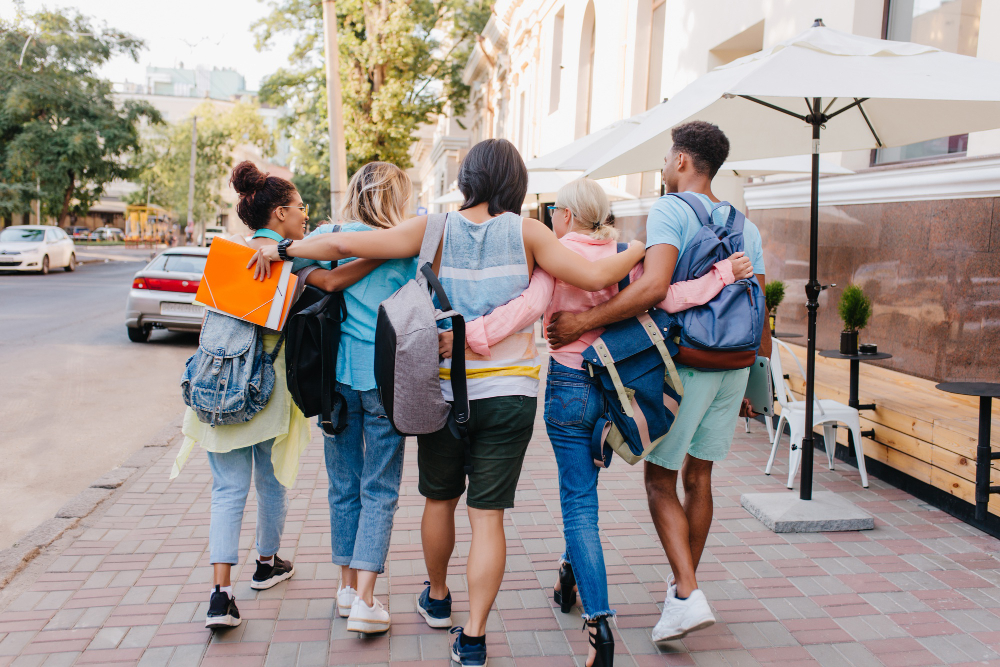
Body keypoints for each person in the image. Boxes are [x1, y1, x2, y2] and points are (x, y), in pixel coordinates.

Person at [247, 139, 644, 666]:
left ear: (468, 179)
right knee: (489, 518)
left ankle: (437, 598)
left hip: (444, 389)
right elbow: (597, 276)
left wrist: (282, 250)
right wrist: (643, 247)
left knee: (439, 501)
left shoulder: (432, 228)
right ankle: (475, 637)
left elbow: (346, 241)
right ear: (516, 181)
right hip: (510, 394)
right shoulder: (531, 232)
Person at [445, 177, 752, 667]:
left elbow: (524, 309)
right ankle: (571, 572)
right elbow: (669, 297)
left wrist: (463, 338)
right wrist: (721, 274)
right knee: (585, 491)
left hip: (570, 388)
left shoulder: (557, 253)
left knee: (579, 503)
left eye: (554, 213)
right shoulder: (626, 253)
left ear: (566, 215)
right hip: (618, 390)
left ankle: (600, 626)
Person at [546, 122, 772, 643]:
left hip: (689, 361)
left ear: (684, 163)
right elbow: (761, 306)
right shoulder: (747, 225)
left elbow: (653, 288)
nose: (666, 166)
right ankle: (679, 593)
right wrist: (752, 382)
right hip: (734, 366)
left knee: (658, 480)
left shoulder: (672, 209)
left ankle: (688, 594)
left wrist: (581, 324)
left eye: (670, 157)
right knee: (701, 478)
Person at [170, 161, 375, 631]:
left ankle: (220, 596)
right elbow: (336, 281)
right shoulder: (290, 255)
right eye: (300, 208)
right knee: (272, 482)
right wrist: (383, 253)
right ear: (280, 213)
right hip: (267, 389)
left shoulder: (226, 252)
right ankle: (266, 563)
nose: (305, 215)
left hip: (215, 387)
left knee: (227, 490)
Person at [292, 162, 416, 634]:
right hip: (387, 381)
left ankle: (346, 588)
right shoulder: (402, 245)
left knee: (342, 486)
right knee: (379, 488)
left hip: (336, 381)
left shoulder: (331, 237)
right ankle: (367, 599)